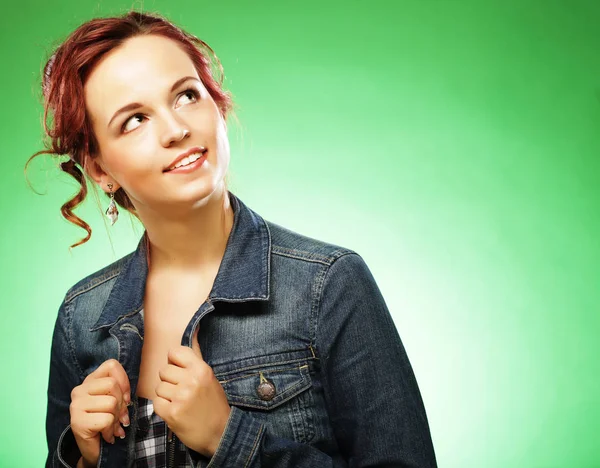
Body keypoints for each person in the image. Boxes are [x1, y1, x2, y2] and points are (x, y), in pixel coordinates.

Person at [30, 10, 438, 468]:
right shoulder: (80, 318)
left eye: (186, 95)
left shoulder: (328, 285)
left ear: (216, 105)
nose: (176, 129)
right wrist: (82, 458)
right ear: (100, 170)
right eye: (134, 120)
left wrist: (230, 439)